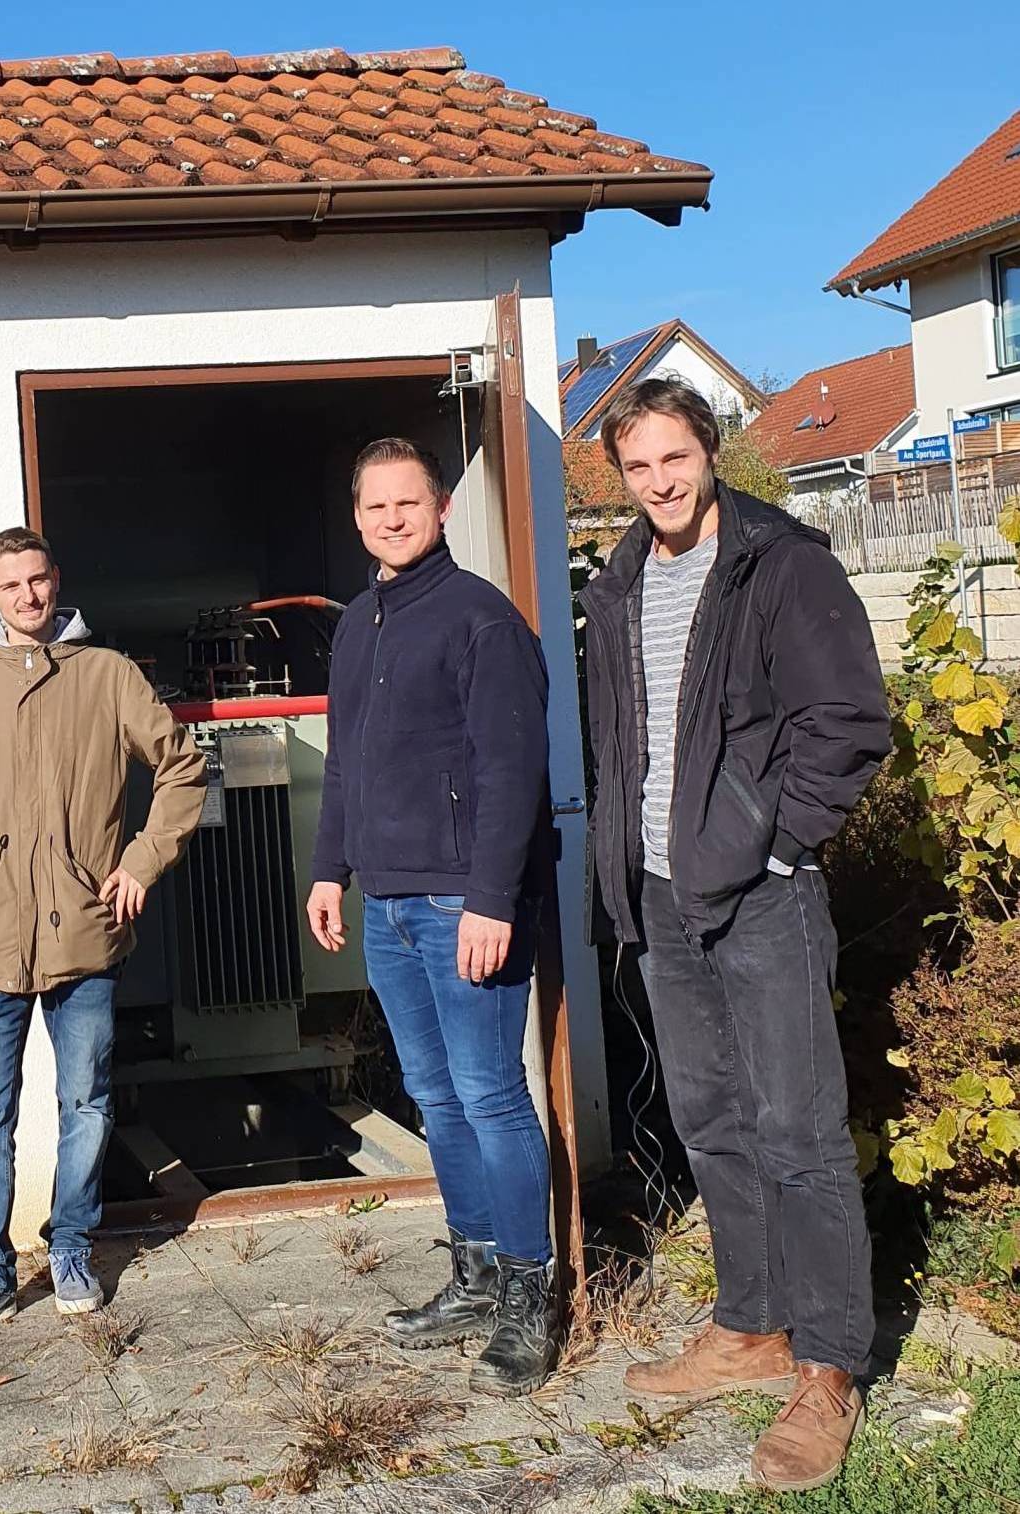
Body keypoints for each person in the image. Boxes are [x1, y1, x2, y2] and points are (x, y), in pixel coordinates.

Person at [581, 378, 890, 1491]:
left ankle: (827, 1362)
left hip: (759, 894)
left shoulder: (781, 562)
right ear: (619, 473)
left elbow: (849, 721)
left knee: (798, 1129)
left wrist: (774, 847)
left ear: (708, 452)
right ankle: (751, 1323)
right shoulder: (619, 581)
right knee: (710, 1117)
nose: (659, 481)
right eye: (638, 466)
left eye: (675, 457)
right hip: (662, 895)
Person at [0, 527, 206, 1349]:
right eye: (11, 586)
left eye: (38, 581)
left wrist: (141, 860)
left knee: (87, 1103)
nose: (28, 597)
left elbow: (180, 767)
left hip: (84, 932)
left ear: (56, 581)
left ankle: (71, 1249)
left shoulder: (107, 674)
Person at [305, 437, 559, 1396]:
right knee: (438, 1096)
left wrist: (492, 898)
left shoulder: (480, 620)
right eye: (375, 507)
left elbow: (511, 774)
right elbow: (344, 764)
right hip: (387, 902)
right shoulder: (359, 621)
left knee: (491, 1093)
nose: (391, 520)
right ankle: (476, 1274)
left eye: (407, 504)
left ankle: (531, 1298)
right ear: (358, 515)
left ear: (440, 506)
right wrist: (330, 870)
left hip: (463, 900)